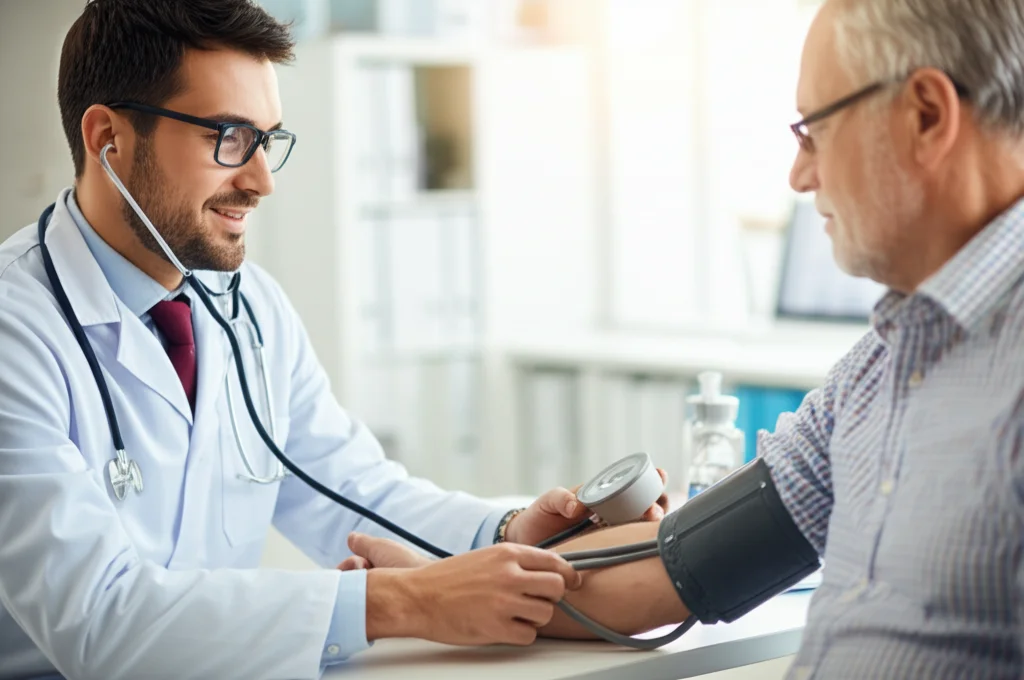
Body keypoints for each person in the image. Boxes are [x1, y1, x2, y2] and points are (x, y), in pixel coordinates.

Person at [341, 0, 1024, 676]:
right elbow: (679, 563)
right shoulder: (878, 373)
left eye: (813, 130)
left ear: (926, 115)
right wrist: (433, 589)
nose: (799, 175)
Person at [0, 2, 671, 679]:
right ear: (107, 137)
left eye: (268, 141)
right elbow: (99, 621)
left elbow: (352, 491)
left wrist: (503, 532)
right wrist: (397, 601)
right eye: (228, 137)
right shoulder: (15, 329)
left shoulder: (249, 307)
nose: (260, 180)